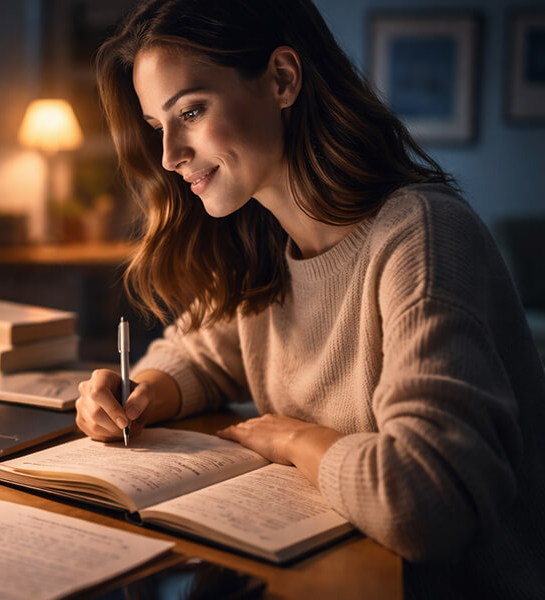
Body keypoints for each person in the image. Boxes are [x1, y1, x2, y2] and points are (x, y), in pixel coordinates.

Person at [75, 0, 545, 597]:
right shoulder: (265, 239)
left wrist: (296, 439)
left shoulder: (421, 235)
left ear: (282, 80)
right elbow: (198, 353)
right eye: (157, 127)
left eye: (190, 111)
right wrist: (136, 396)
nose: (169, 156)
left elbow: (429, 501)